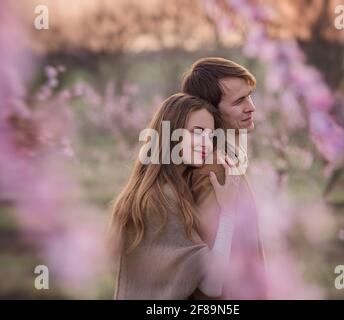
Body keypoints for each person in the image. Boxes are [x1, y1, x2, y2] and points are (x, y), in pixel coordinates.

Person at [109, 93, 241, 299]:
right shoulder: (162, 199)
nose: (206, 143)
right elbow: (213, 284)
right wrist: (228, 212)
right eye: (197, 133)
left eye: (211, 135)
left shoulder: (151, 190)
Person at [181, 57, 268, 299]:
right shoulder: (214, 170)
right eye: (239, 101)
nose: (251, 107)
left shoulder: (225, 160)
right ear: (211, 111)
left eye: (250, 95)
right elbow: (213, 269)